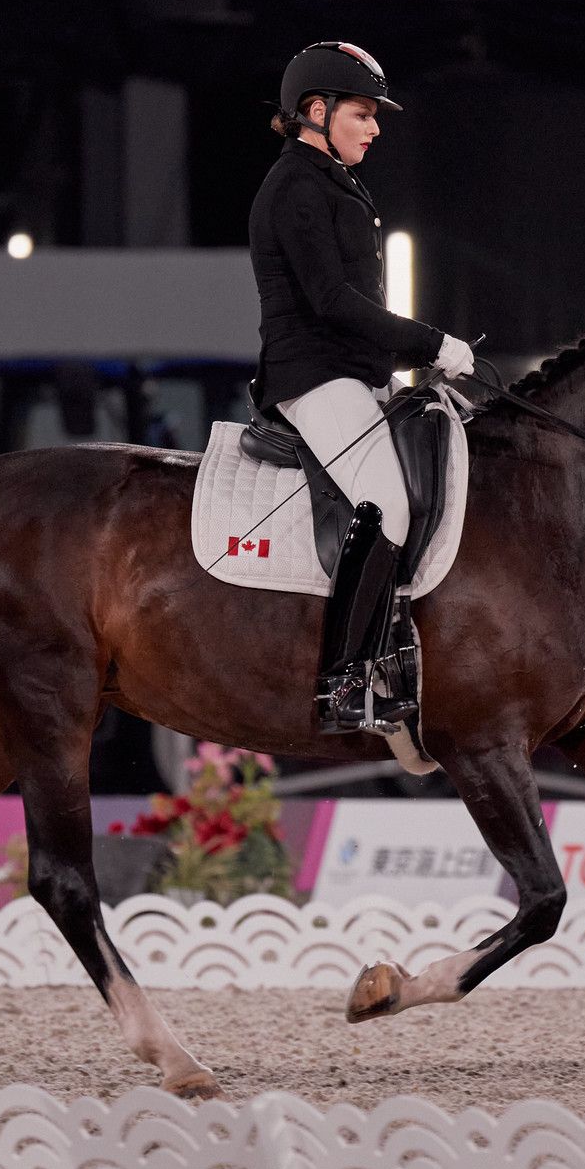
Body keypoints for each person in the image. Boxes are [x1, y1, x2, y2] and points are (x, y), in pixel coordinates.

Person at [247, 41, 477, 735]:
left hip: (350, 374)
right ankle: (342, 677)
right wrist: (429, 342)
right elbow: (329, 298)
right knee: (387, 506)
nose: (374, 129)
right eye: (361, 113)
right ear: (314, 111)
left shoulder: (334, 182)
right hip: (311, 375)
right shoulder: (295, 186)